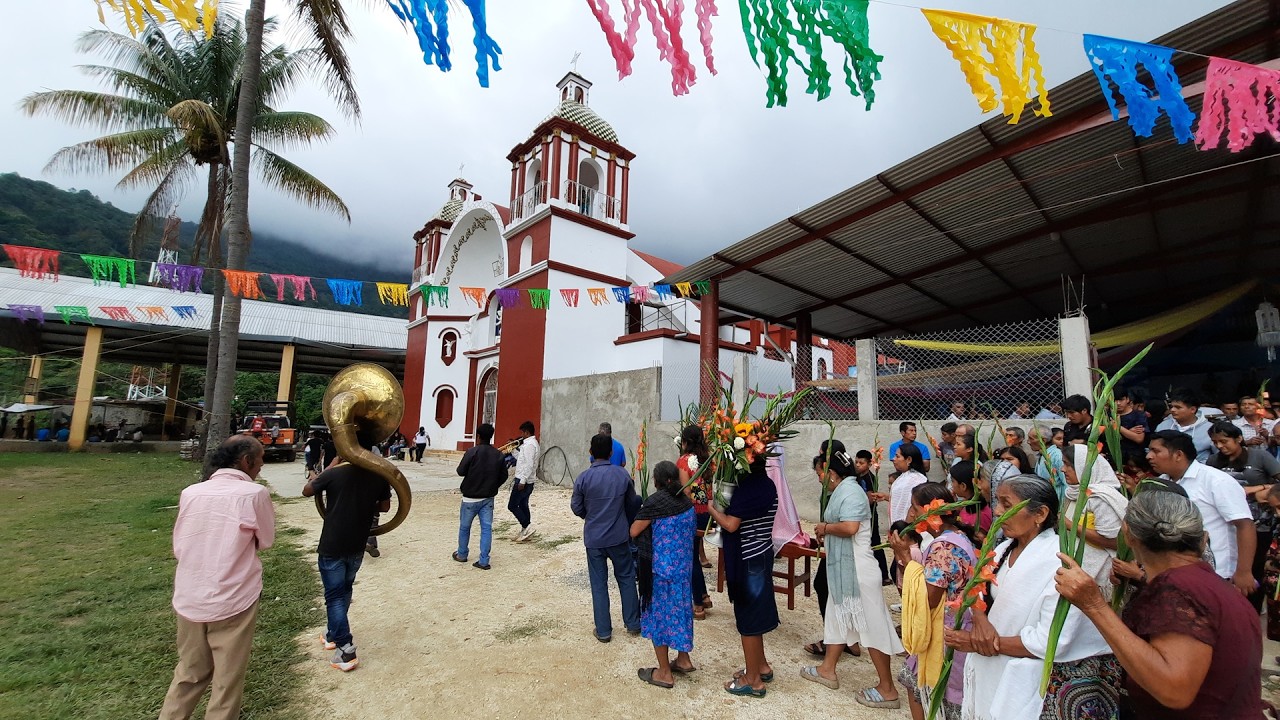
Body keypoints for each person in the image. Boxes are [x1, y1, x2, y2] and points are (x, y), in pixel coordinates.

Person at [1053, 490, 1264, 719]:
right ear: (1202, 538)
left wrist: (1094, 605)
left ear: (1128, 536)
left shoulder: (1179, 589)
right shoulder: (1205, 583)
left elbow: (1174, 690)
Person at [947, 474, 1119, 720]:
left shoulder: (1060, 563)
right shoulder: (1003, 548)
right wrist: (980, 621)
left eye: (1007, 505)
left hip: (1030, 683)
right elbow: (975, 589)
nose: (997, 511)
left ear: (1040, 514)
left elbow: (1050, 641)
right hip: (991, 669)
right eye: (997, 502)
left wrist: (977, 643)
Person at [159, 436, 274, 720]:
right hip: (234, 597)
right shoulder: (254, 494)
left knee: (189, 673)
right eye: (260, 459)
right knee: (227, 680)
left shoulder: (191, 492)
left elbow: (179, 543)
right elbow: (266, 540)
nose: (261, 466)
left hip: (189, 595)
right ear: (246, 461)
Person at [801, 448, 903, 710]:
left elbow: (850, 527)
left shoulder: (851, 491)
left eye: (821, 472)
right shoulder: (845, 489)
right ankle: (827, 669)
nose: (819, 477)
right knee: (838, 616)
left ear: (832, 473)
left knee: (873, 627)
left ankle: (888, 689)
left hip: (857, 569)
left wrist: (825, 528)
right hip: (843, 568)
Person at [302, 434, 391, 672]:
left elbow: (307, 490)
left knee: (333, 596)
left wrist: (329, 466)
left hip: (332, 544)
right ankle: (332, 634)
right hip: (358, 543)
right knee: (344, 590)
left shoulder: (335, 472)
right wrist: (362, 503)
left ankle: (346, 648)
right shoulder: (378, 475)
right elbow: (384, 506)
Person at [891, 483, 977, 720]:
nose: (911, 515)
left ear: (931, 512)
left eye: (915, 509)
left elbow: (929, 598)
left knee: (932, 692)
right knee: (913, 680)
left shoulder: (943, 546)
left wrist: (905, 558)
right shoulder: (956, 535)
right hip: (952, 624)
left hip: (945, 631)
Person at [1148, 429, 1256, 593]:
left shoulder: (1216, 481)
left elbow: (1245, 524)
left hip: (1217, 572)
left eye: (1156, 451)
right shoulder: (1161, 483)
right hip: (1175, 572)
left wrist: (1244, 571)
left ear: (1178, 455)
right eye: (1149, 450)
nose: (1149, 456)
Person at [707, 457, 777, 698]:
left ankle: (753, 681)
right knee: (756, 615)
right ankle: (761, 666)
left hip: (749, 559)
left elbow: (731, 524)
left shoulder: (749, 489)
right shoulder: (767, 484)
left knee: (748, 621)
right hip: (761, 553)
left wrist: (712, 510)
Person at [630, 460, 697, 689]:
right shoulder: (687, 504)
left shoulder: (656, 502)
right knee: (680, 612)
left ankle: (664, 673)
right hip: (683, 571)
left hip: (660, 572)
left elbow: (634, 530)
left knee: (660, 618)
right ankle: (683, 659)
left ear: (656, 481)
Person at [571, 433, 641, 643]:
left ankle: (603, 631)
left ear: (591, 452)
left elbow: (576, 507)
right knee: (627, 578)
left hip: (594, 539)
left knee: (598, 583)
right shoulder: (622, 475)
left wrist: (589, 516)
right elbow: (633, 502)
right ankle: (633, 623)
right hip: (619, 536)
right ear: (611, 452)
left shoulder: (583, 478)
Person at [1207, 420, 1280, 611]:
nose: (1220, 446)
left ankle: (1252, 612)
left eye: (1224, 441)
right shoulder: (1214, 462)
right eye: (1215, 442)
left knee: (1254, 569)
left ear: (1239, 438)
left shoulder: (1259, 456)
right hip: (1226, 525)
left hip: (1259, 524)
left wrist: (1257, 489)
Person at [1062, 444, 1128, 598]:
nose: (1063, 469)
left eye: (1068, 465)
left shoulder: (1101, 497)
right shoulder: (1074, 493)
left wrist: (1070, 526)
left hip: (1101, 576)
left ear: (1083, 467)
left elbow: (1116, 542)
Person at [452, 423, 506, 570]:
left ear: (478, 436)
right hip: (488, 498)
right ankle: (484, 560)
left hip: (469, 497)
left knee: (465, 527)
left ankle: (462, 554)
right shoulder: (498, 455)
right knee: (486, 528)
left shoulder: (471, 452)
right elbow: (504, 476)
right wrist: (493, 485)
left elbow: (460, 471)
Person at [676, 424, 713, 619]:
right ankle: (704, 596)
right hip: (706, 512)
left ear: (685, 442)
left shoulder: (684, 461)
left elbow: (686, 491)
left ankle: (698, 605)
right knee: (695, 554)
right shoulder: (707, 460)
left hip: (691, 513)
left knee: (690, 559)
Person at [853, 449, 892, 584]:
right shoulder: (856, 477)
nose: (857, 465)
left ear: (869, 464)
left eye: (861, 463)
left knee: (875, 542)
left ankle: (883, 575)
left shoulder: (869, 479)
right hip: (862, 515)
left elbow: (869, 499)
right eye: (856, 462)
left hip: (869, 515)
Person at [1155, 388, 1214, 462]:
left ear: (1192, 409)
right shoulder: (1163, 426)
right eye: (1171, 406)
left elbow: (1219, 456)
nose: (1172, 410)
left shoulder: (1209, 429)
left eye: (1178, 407)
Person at [508, 421, 541, 542]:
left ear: (527, 432)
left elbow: (528, 464)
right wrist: (512, 450)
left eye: (522, 433)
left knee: (512, 505)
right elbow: (521, 459)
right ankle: (524, 530)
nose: (521, 435)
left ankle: (527, 526)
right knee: (522, 504)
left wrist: (523, 480)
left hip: (524, 480)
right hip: (525, 479)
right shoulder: (528, 444)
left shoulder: (530, 445)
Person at [890, 442, 929, 524]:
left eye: (897, 456)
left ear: (909, 460)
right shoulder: (903, 476)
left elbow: (911, 506)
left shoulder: (916, 480)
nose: (894, 459)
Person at [1115, 388, 1150, 464]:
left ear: (1127, 399)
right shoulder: (1107, 417)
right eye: (1115, 400)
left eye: (1121, 400)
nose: (1118, 403)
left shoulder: (1138, 415)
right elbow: (1108, 438)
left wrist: (1118, 427)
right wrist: (1129, 432)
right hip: (1115, 458)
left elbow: (1139, 438)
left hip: (1136, 459)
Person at [1029, 426, 1065, 500]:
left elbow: (1066, 482)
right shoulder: (1042, 456)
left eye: (1031, 439)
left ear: (1043, 440)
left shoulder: (1057, 455)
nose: (1028, 442)